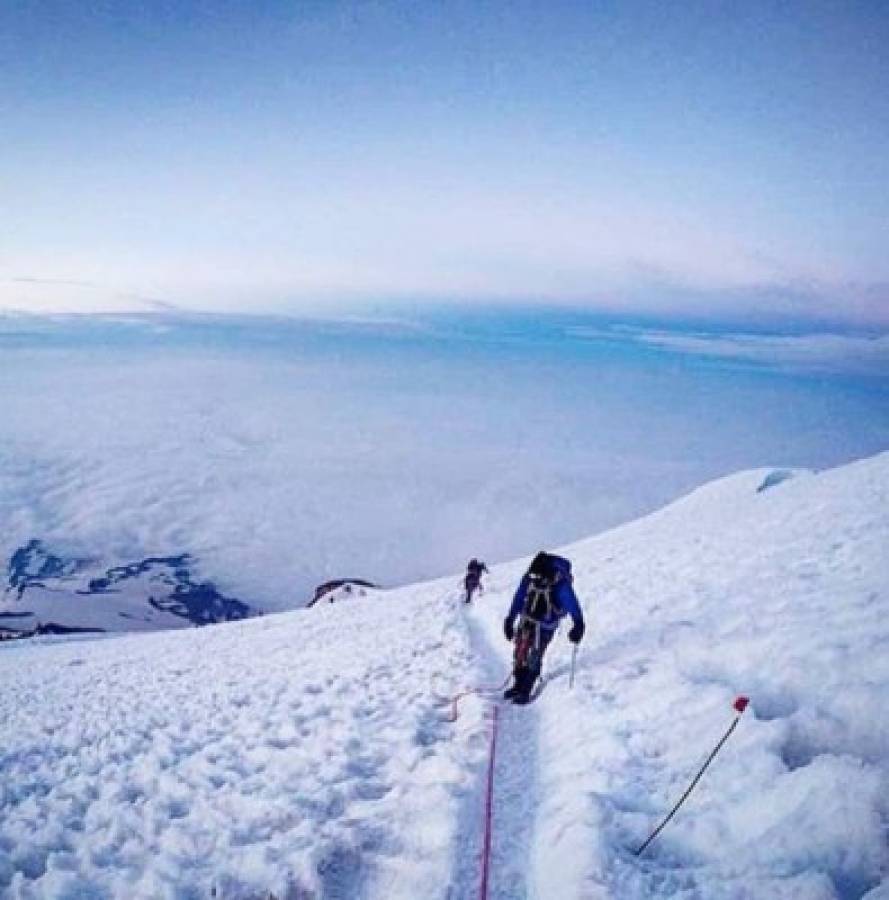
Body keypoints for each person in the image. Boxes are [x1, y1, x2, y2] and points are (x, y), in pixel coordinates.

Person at [502, 551, 585, 704]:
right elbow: (519, 597)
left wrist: (578, 623)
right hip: (527, 619)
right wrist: (510, 619)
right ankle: (517, 685)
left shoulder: (559, 583)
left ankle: (526, 689)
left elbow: (571, 602)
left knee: (535, 655)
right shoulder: (530, 577)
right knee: (520, 652)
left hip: (546, 625)